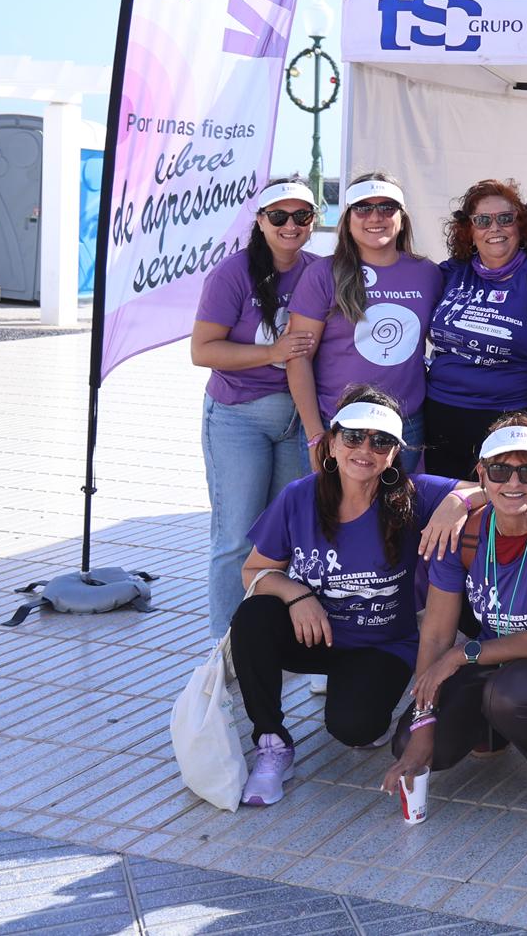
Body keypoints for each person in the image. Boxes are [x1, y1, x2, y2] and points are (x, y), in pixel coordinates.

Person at [381, 416, 527, 823]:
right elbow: (436, 634)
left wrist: (461, 655)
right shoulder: (463, 532)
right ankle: (493, 728)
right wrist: (422, 723)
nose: (513, 482)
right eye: (500, 469)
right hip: (498, 656)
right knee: (411, 747)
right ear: (482, 475)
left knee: (512, 694)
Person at [230, 386, 457, 806]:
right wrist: (296, 594)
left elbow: (484, 488)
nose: (365, 449)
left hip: (381, 645)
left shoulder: (414, 495)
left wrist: (456, 503)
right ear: (331, 443)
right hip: (315, 633)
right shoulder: (299, 496)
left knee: (355, 730)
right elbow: (253, 572)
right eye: (353, 436)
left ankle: (352, 693)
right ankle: (271, 742)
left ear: (394, 453)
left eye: (381, 440)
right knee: (254, 617)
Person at [190, 176, 322, 637]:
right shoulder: (232, 273)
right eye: (279, 216)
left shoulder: (319, 270)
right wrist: (271, 353)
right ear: (261, 221)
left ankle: (272, 639)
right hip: (236, 418)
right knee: (235, 537)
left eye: (301, 216)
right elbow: (203, 350)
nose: (291, 225)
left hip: (295, 419)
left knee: (283, 537)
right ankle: (225, 646)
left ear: (314, 221)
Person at [285, 173, 442, 472]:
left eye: (387, 207)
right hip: (340, 427)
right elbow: (298, 357)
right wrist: (316, 436)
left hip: (404, 427)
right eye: (363, 208)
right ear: (347, 218)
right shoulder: (322, 274)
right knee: (332, 517)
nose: (375, 216)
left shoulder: (428, 273)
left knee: (397, 517)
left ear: (402, 217)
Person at [422, 179, 527, 480]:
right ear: (469, 232)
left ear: (521, 226)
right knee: (443, 514)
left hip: (506, 421)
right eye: (482, 220)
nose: (494, 228)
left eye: (505, 219)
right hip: (440, 415)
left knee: (494, 515)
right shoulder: (448, 274)